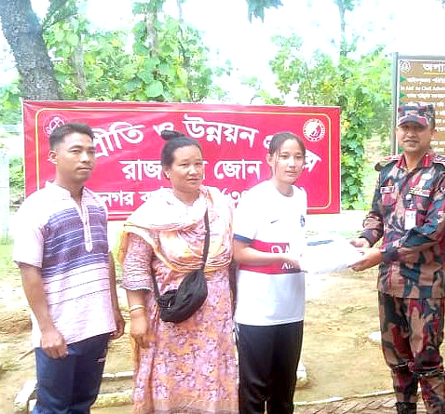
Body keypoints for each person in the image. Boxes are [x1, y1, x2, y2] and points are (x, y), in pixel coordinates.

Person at [350, 102, 445, 414]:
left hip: (424, 286)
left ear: (432, 132)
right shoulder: (388, 171)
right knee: (397, 360)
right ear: (398, 131)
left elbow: (432, 231)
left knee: (426, 359)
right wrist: (365, 238)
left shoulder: (444, 175)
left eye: (418, 127)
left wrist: (380, 253)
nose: (411, 133)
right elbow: (376, 216)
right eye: (405, 127)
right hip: (390, 284)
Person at [118, 130, 237, 414]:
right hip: (171, 317)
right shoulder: (151, 213)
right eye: (184, 165)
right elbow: (134, 266)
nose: (194, 171)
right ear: (166, 171)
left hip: (214, 316)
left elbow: (234, 259)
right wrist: (137, 316)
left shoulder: (220, 205)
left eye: (198, 163)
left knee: (212, 376)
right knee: (170, 379)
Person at [13, 122, 125, 414]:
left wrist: (114, 309)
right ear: (54, 157)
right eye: (76, 151)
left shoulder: (98, 205)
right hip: (60, 331)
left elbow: (106, 258)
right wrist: (47, 328)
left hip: (97, 326)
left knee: (83, 403)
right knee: (53, 407)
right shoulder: (35, 207)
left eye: (91, 151)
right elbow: (29, 270)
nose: (86, 158)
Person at [233, 132, 308, 414]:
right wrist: (282, 256)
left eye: (298, 157)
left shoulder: (301, 196)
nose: (292, 163)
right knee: (254, 392)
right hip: (258, 313)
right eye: (285, 156)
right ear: (270, 160)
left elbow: (300, 245)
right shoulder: (255, 199)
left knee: (284, 393)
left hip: (292, 310)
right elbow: (238, 252)